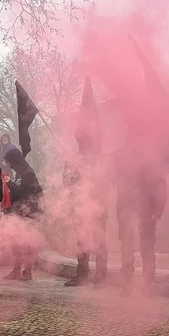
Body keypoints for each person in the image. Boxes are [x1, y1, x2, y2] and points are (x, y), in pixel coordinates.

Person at [64, 113, 109, 287]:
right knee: (81, 240)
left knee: (99, 239)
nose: (79, 140)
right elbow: (66, 182)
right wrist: (73, 172)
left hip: (98, 204)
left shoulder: (100, 158)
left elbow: (106, 180)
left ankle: (101, 276)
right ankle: (82, 275)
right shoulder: (72, 158)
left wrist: (90, 176)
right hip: (79, 204)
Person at [114, 152, 167, 293]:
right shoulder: (124, 161)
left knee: (147, 249)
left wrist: (157, 211)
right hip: (127, 213)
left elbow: (161, 187)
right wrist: (120, 214)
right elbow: (121, 191)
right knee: (127, 249)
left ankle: (147, 285)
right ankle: (126, 285)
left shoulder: (151, 161)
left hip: (147, 214)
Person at [1, 147, 44, 281]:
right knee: (17, 242)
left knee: (27, 243)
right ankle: (16, 270)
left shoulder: (28, 174)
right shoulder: (20, 173)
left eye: (8, 161)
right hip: (21, 212)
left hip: (30, 213)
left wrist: (8, 182)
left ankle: (27, 271)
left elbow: (22, 193)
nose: (8, 165)